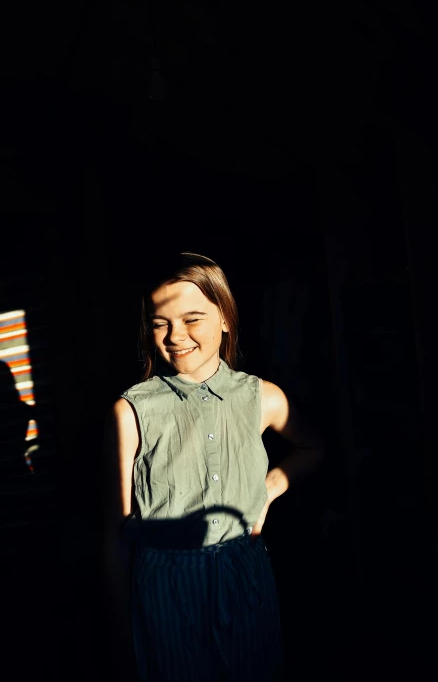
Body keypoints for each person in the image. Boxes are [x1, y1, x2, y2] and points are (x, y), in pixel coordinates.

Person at [101, 252, 325, 681]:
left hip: (245, 577)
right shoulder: (130, 412)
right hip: (166, 590)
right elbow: (115, 535)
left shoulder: (262, 397)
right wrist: (119, 633)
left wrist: (269, 489)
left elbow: (313, 447)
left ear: (224, 317)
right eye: (159, 322)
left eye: (192, 318)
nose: (175, 335)